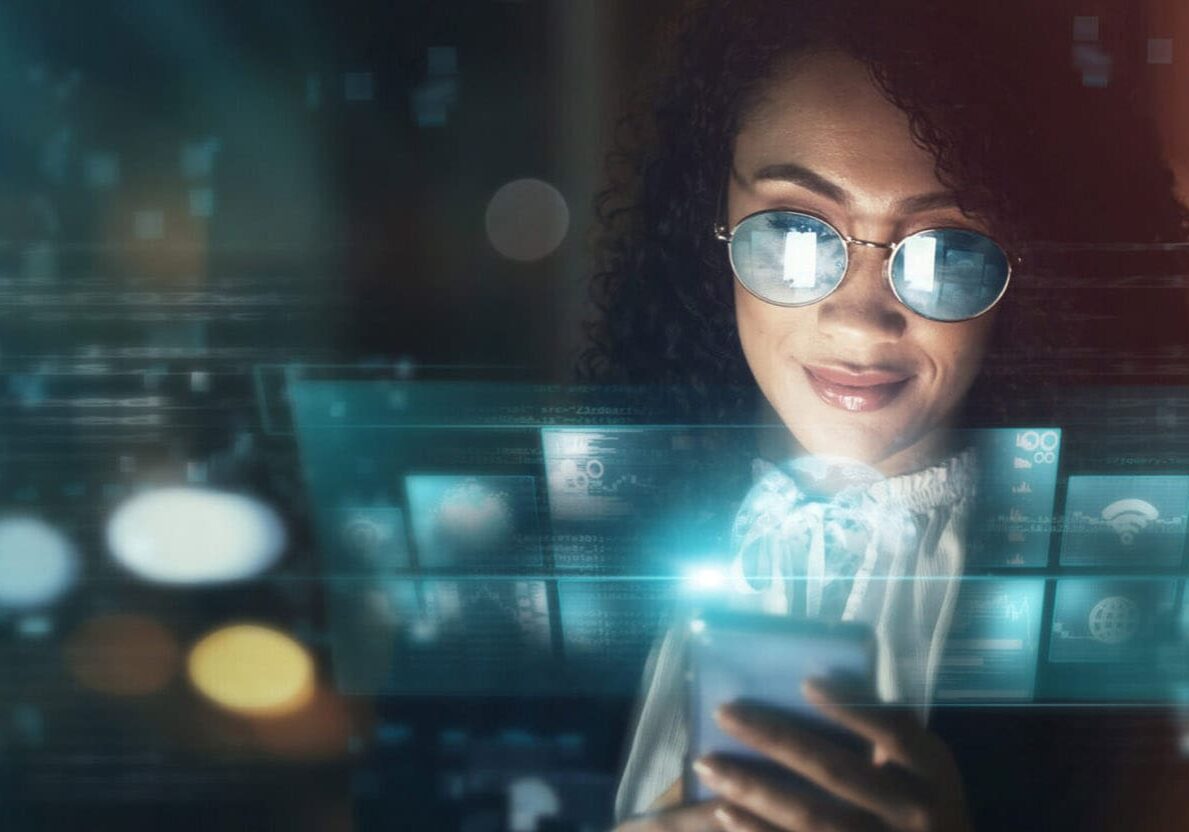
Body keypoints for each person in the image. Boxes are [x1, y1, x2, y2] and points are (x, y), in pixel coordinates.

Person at [580, 1, 1189, 830]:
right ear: (707, 220)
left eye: (944, 249)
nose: (858, 321)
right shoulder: (545, 550)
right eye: (796, 230)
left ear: (1033, 266)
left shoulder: (1141, 611)